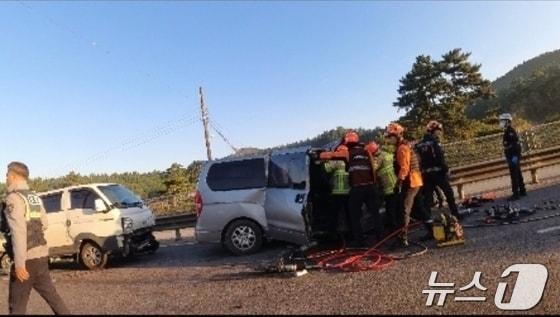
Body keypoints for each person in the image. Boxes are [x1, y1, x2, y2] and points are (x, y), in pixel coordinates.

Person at [1, 162, 69, 315]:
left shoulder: (13, 198)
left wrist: (19, 264)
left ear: (13, 176)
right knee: (53, 298)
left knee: (16, 305)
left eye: (7, 175)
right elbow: (44, 223)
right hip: (41, 256)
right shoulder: (34, 197)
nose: (6, 178)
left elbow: (19, 231)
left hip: (26, 261)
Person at [320, 132, 382, 246]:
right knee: (375, 214)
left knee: (354, 217)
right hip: (371, 187)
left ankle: (360, 243)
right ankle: (381, 239)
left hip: (357, 189)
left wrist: (322, 155)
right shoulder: (366, 151)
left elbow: (325, 158)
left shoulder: (348, 153)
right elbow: (375, 165)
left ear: (347, 143)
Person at [385, 123, 433, 246]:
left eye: (391, 136)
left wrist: (398, 183)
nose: (389, 139)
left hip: (410, 182)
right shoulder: (404, 146)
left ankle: (402, 238)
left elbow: (404, 168)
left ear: (398, 135)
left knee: (404, 210)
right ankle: (432, 229)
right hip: (415, 180)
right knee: (419, 208)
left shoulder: (402, 148)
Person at [415, 120, 461, 219]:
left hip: (425, 174)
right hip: (438, 173)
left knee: (428, 199)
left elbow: (418, 160)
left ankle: (428, 222)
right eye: (438, 130)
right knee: (448, 192)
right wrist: (446, 169)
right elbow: (439, 157)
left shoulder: (419, 144)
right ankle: (455, 214)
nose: (439, 133)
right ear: (433, 131)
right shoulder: (434, 142)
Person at [367, 141, 399, 233]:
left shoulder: (378, 158)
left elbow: (374, 168)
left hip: (389, 187)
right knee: (396, 208)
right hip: (395, 184)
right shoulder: (387, 154)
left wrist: (370, 160)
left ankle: (394, 230)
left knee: (390, 210)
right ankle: (397, 227)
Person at [322, 145, 351, 236]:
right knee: (348, 213)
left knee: (334, 214)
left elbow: (326, 168)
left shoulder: (337, 161)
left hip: (337, 193)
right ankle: (351, 232)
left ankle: (332, 233)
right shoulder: (349, 162)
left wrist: (325, 160)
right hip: (348, 192)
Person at [499, 113, 527, 201]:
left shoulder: (510, 131)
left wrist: (514, 157)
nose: (501, 123)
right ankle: (522, 190)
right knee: (517, 173)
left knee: (514, 175)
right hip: (511, 156)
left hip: (513, 156)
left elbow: (515, 145)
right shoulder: (508, 131)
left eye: (502, 121)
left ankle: (516, 194)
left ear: (507, 121)